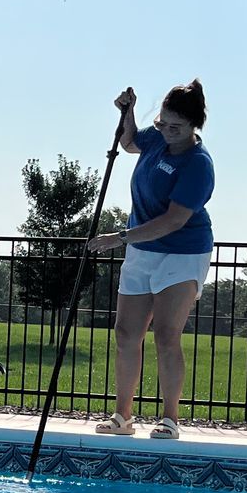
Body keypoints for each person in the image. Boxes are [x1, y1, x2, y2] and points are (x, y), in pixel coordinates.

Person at [83, 81, 215, 439]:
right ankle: (122, 417)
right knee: (126, 333)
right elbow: (128, 143)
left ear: (194, 126)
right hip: (143, 249)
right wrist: (127, 113)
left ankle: (170, 419)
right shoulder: (157, 140)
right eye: (163, 124)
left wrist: (119, 238)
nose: (168, 132)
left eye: (177, 128)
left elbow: (173, 220)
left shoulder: (198, 164)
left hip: (183, 252)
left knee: (166, 334)